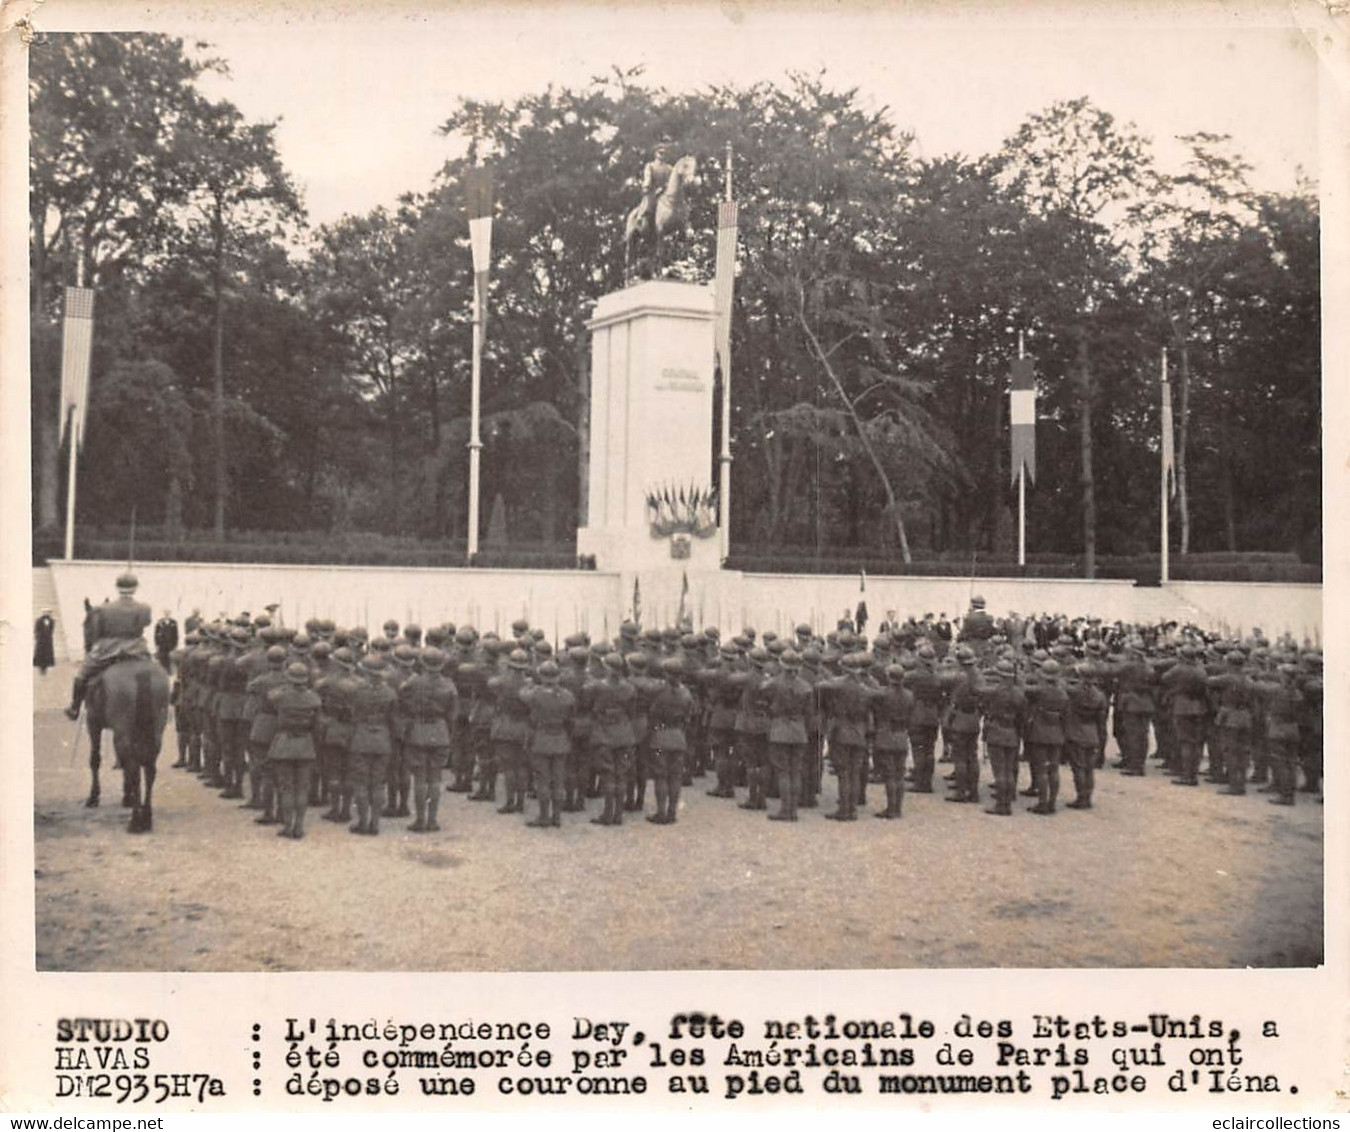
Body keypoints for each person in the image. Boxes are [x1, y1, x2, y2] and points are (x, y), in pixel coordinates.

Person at [65, 573, 151, 720]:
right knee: (154, 674)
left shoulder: (103, 609)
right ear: (135, 589)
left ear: (117, 588)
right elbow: (146, 623)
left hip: (107, 650)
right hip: (137, 649)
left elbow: (98, 631)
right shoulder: (144, 608)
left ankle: (75, 707)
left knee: (81, 675)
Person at [267, 662, 323, 839]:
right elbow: (318, 725)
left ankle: (287, 825)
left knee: (286, 788)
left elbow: (271, 696)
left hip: (284, 743)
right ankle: (299, 826)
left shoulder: (279, 696)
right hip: (305, 744)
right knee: (302, 788)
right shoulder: (313, 698)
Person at [33, 608, 56, 675]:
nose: (47, 613)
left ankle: (45, 667)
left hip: (48, 641)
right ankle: (41, 668)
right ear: (43, 613)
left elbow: (51, 630)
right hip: (40, 640)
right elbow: (36, 630)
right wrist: (38, 638)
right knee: (40, 654)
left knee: (47, 654)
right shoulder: (39, 620)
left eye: (48, 612)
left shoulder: (52, 621)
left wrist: (49, 637)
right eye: (46, 612)